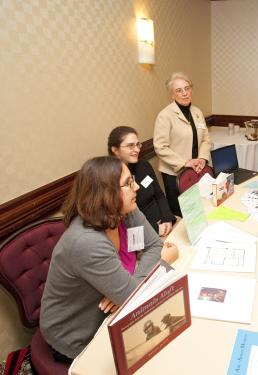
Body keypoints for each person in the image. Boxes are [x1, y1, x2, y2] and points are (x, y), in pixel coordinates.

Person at [40, 156, 179, 363]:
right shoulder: (87, 242)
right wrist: (163, 263)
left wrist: (128, 283)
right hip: (77, 335)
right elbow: (133, 298)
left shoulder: (124, 211)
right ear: (106, 194)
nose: (137, 187)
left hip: (112, 314)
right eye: (128, 183)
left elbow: (153, 246)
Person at [154, 72, 211, 216]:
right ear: (172, 95)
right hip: (175, 173)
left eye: (187, 88)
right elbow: (160, 147)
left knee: (197, 208)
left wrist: (202, 158)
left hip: (196, 169)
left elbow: (205, 139)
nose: (185, 93)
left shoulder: (197, 112)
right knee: (181, 213)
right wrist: (185, 162)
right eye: (179, 90)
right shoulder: (165, 116)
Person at [108, 126, 176, 237]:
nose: (137, 150)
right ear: (115, 150)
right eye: (130, 146)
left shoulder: (143, 165)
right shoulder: (111, 178)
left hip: (164, 224)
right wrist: (154, 229)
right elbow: (123, 220)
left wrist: (167, 218)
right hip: (141, 234)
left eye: (137, 144)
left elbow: (159, 194)